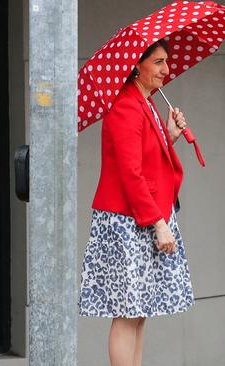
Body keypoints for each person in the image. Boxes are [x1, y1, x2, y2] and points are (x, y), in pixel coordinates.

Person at [78, 39, 194, 366]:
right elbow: (130, 173)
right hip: (126, 222)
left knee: (139, 312)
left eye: (166, 61)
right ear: (136, 65)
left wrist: (169, 135)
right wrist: (159, 224)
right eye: (157, 62)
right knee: (128, 314)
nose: (166, 70)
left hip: (138, 218)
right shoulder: (126, 106)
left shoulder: (145, 103)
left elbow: (145, 162)